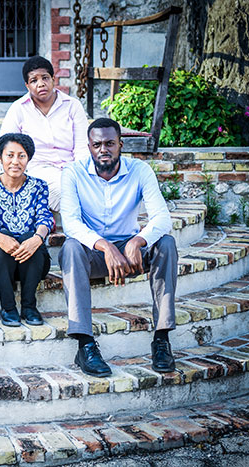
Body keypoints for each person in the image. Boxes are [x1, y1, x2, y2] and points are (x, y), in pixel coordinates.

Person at [60, 118, 177, 377]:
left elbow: (161, 218)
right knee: (70, 247)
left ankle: (161, 339)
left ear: (120, 144)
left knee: (166, 244)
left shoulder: (140, 170)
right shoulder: (73, 172)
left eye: (110, 143)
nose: (104, 149)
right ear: (89, 147)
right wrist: (105, 247)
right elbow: (70, 223)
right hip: (94, 254)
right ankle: (85, 345)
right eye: (97, 144)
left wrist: (137, 241)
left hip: (130, 254)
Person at [0, 133, 53, 327]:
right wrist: (1, 239)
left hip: (31, 264)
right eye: (10, 155)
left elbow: (45, 217)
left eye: (22, 156)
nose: (15, 161)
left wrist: (36, 239)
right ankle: (8, 308)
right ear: (0, 158)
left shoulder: (39, 186)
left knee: (30, 239)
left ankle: (29, 307)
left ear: (28, 159)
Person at [0, 56, 89, 212]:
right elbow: (4, 148)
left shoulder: (72, 106)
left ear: (53, 79)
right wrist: (2, 183)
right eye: (34, 81)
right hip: (38, 170)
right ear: (27, 85)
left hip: (72, 169)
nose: (41, 84)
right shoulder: (18, 109)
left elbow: (82, 148)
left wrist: (82, 175)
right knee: (65, 192)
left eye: (45, 78)